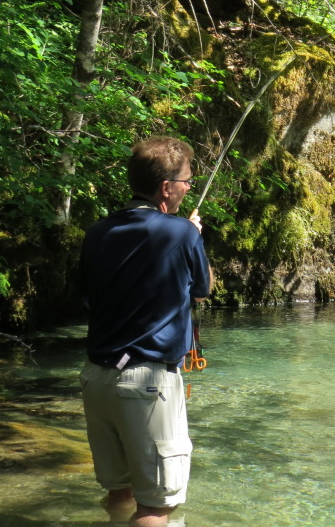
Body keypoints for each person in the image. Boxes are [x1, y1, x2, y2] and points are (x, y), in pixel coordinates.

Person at [79, 137, 213, 527]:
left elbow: (89, 297)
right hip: (147, 384)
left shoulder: (97, 232)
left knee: (119, 492)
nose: (189, 188)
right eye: (187, 181)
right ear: (166, 188)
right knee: (156, 506)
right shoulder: (182, 234)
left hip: (96, 379)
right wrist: (190, 237)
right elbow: (202, 290)